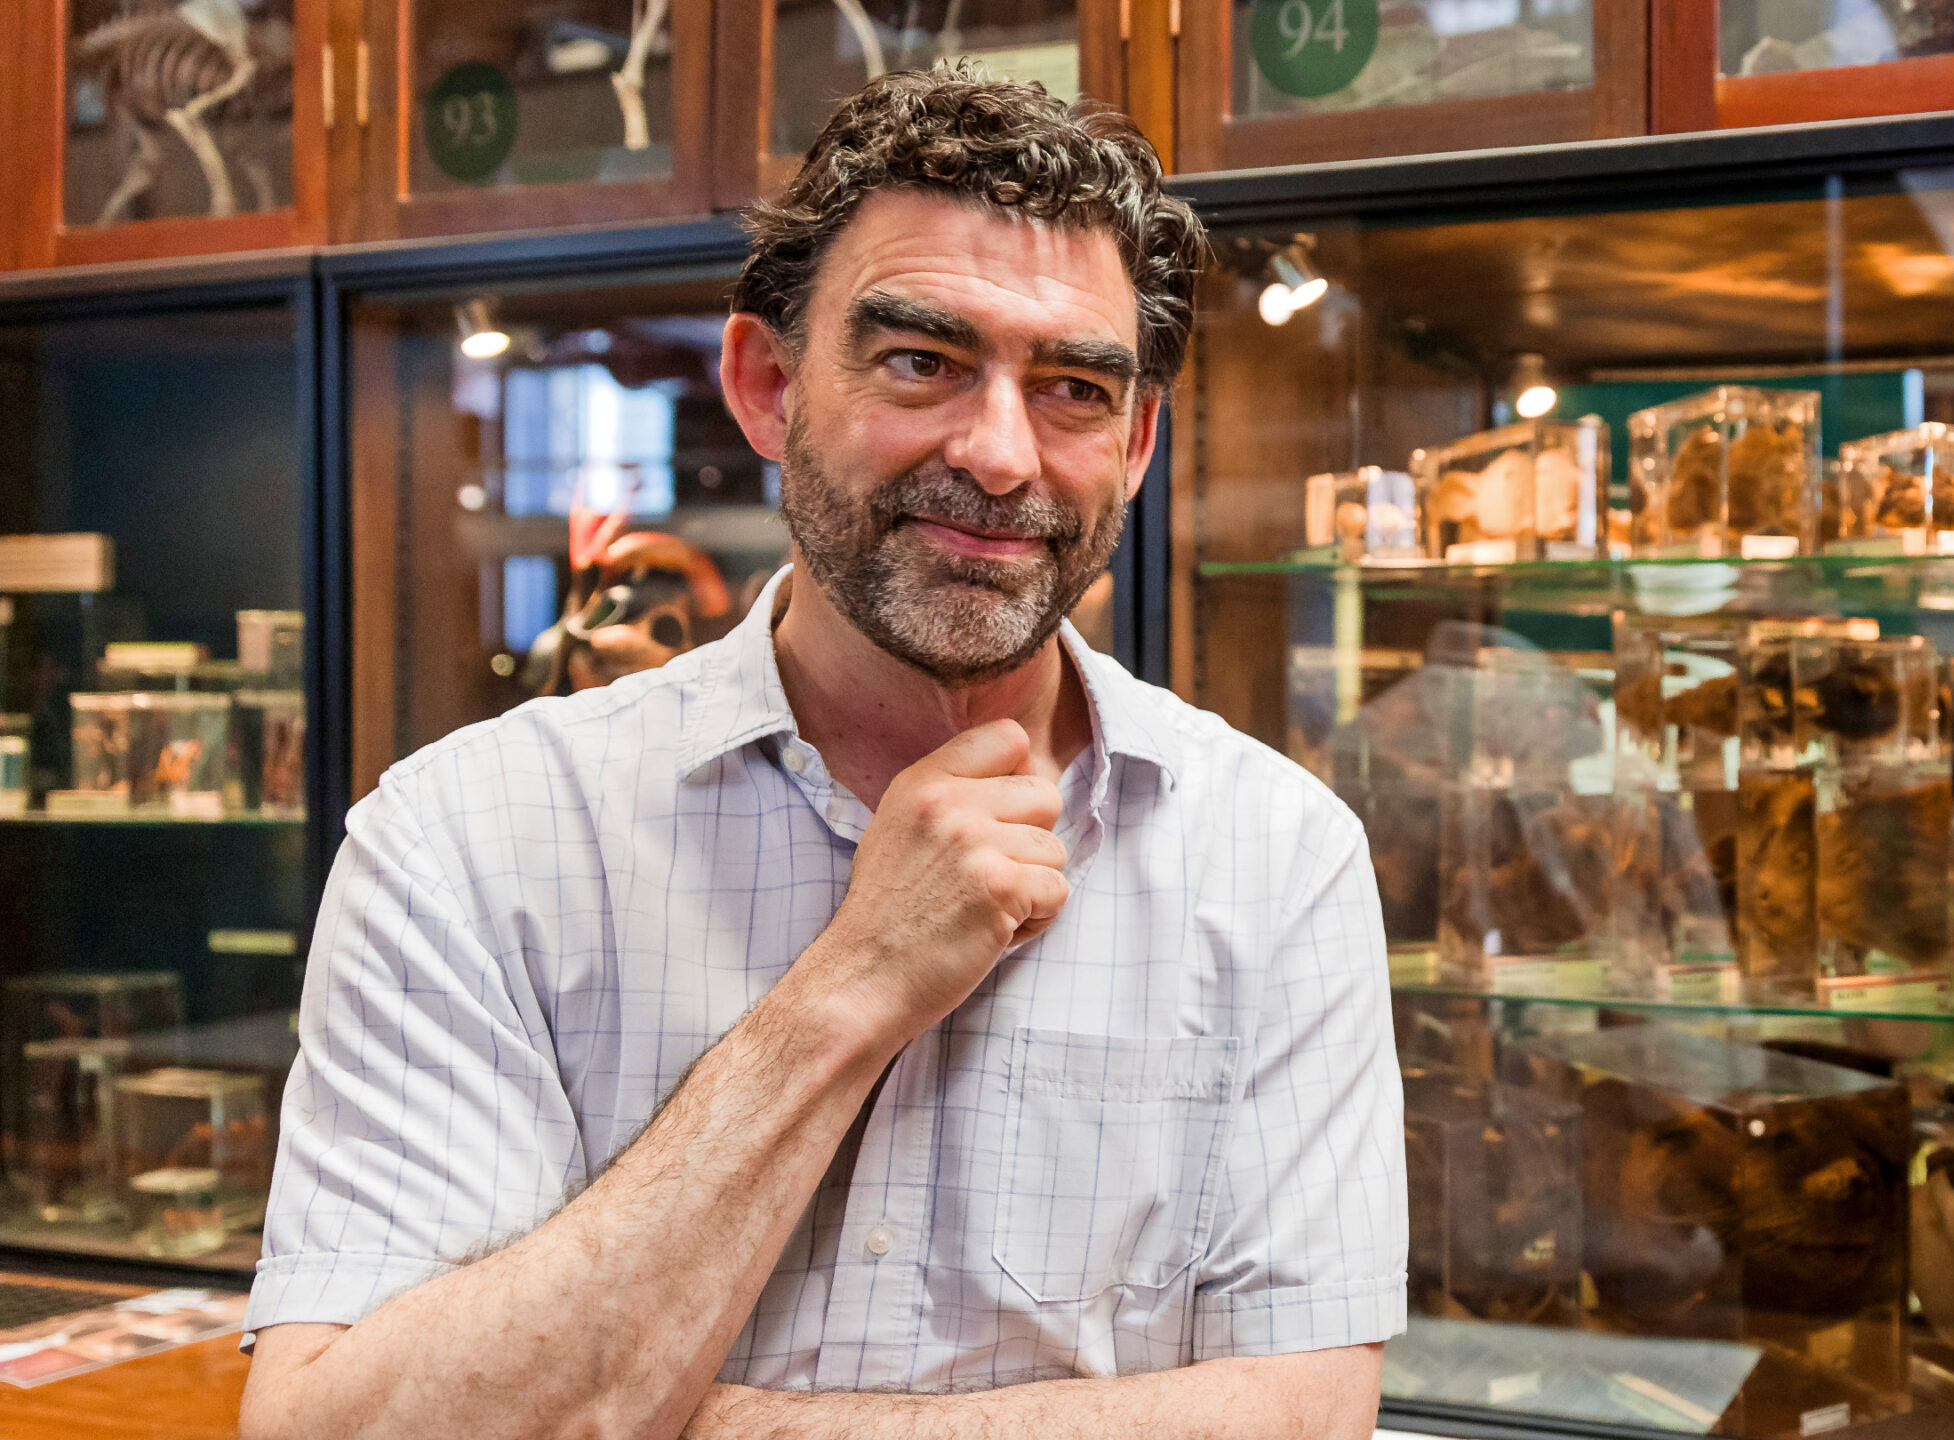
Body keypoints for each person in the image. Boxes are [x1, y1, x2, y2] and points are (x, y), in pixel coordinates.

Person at [238, 65, 1405, 1440]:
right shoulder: (466, 840)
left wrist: (699, 1424)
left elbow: (1307, 1416)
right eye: (923, 361)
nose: (1000, 455)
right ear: (766, 382)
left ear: (1139, 443)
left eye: (1078, 389)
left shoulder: (1275, 854)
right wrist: (849, 985)